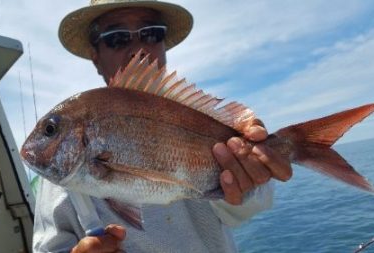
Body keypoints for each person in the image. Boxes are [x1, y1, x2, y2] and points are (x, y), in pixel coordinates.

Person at [33, 1, 293, 252]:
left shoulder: (197, 118)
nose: (138, 50)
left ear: (164, 44)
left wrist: (251, 180)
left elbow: (249, 207)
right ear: (95, 56)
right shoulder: (58, 179)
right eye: (117, 38)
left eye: (151, 34)